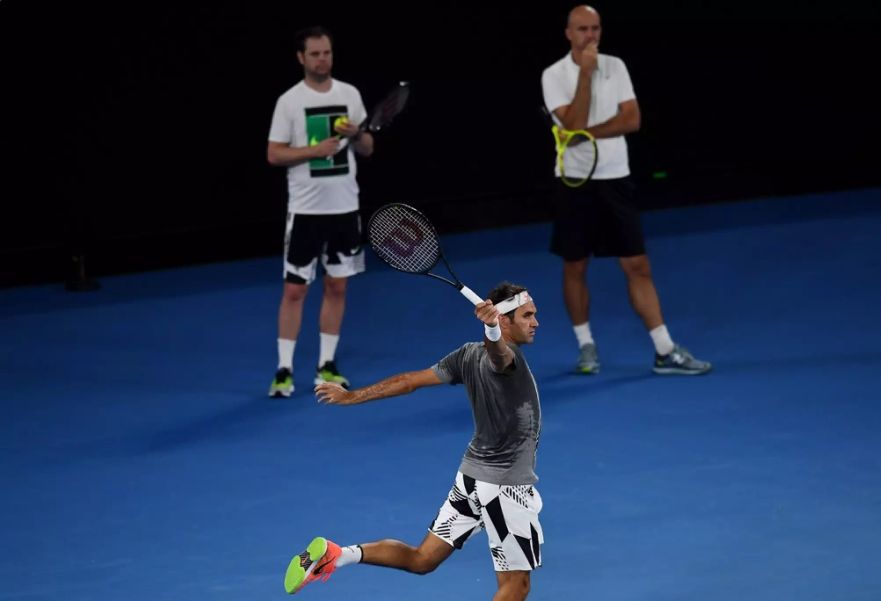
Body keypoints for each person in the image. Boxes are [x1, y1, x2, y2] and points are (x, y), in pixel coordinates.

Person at [284, 282, 543, 601]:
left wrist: (353, 396)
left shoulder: (465, 355)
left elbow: (409, 381)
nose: (535, 322)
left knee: (424, 559)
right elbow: (498, 356)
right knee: (516, 586)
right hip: (505, 490)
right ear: (504, 320)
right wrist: (491, 331)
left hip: (471, 481)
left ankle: (339, 555)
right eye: (527, 315)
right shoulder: (505, 359)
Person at [540, 5, 712, 376]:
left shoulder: (616, 66)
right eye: (583, 29)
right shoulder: (553, 75)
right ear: (569, 33)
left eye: (596, 28)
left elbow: (631, 120)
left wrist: (585, 136)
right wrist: (585, 75)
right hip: (574, 182)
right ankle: (586, 346)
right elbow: (572, 120)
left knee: (637, 265)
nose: (591, 35)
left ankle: (664, 350)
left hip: (616, 178)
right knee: (575, 266)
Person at [266, 26, 374, 397]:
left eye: (326, 52)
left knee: (337, 286)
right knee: (295, 290)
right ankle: (283, 370)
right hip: (306, 211)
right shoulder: (289, 101)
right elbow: (275, 153)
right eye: (314, 54)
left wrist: (356, 133)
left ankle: (326, 366)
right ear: (301, 58)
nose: (322, 59)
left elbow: (367, 148)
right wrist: (315, 150)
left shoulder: (350, 94)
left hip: (345, 208)